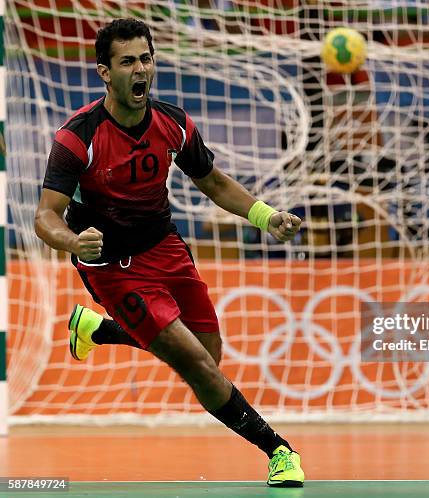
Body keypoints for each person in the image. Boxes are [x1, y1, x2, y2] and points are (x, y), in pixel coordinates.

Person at [34, 18, 305, 488]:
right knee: (198, 367)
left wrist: (266, 216)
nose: (140, 69)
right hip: (112, 266)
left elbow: (215, 184)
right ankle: (279, 450)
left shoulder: (173, 123)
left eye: (146, 58)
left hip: (165, 246)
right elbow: (45, 217)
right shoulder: (78, 137)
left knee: (207, 356)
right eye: (127, 62)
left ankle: (99, 330)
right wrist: (73, 242)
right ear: (104, 71)